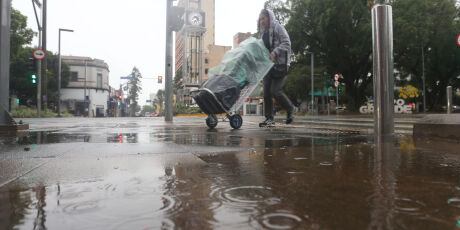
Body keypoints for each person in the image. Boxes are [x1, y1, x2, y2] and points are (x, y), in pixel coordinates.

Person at [258, 9, 296, 126]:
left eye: (263, 18)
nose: (261, 21)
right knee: (266, 93)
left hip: (280, 64)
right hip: (268, 65)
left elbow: (286, 43)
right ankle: (269, 118)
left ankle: (291, 109)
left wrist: (274, 53)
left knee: (275, 91)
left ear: (269, 17)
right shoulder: (262, 32)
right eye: (260, 19)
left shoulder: (278, 28)